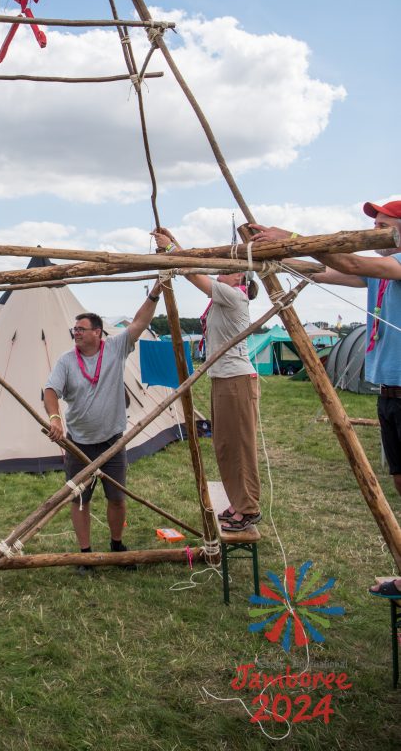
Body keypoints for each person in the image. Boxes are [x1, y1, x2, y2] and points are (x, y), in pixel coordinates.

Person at [249, 199, 401, 596]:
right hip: (388, 392)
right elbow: (325, 271)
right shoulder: (380, 275)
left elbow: (350, 264)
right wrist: (273, 256)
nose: (376, 232)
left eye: (383, 225)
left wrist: (292, 238)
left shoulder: (395, 266)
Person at [43, 281, 163, 568]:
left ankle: (116, 546)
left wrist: (156, 292)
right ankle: (85, 555)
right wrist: (55, 417)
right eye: (75, 330)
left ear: (97, 332)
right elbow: (50, 391)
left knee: (117, 498)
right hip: (79, 443)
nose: (76, 334)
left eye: (81, 330)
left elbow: (139, 322)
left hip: (112, 441)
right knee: (80, 500)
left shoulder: (115, 348)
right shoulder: (66, 361)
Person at [152, 228, 261, 532]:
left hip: (236, 379)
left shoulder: (233, 296)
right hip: (224, 378)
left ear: (238, 278)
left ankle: (248, 507)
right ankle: (238, 501)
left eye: (224, 270)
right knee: (225, 444)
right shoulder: (226, 296)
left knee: (239, 445)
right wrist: (176, 244)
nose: (219, 273)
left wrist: (173, 247)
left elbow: (192, 273)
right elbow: (194, 269)